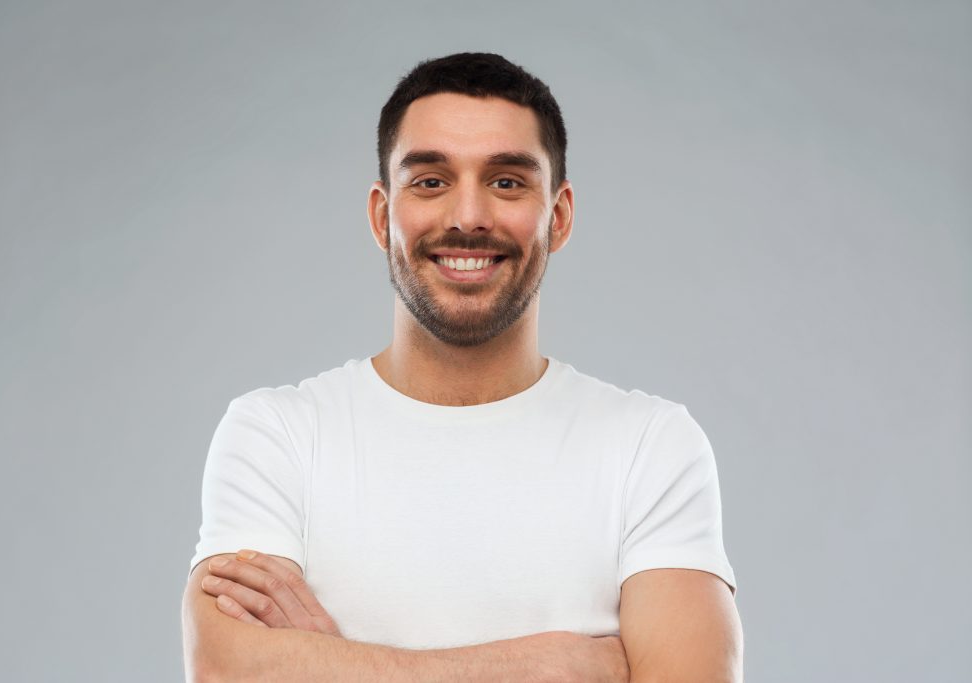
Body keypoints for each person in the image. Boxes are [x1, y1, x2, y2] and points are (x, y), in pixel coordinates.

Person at [181, 52, 744, 682]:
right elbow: (227, 671)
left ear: (556, 217)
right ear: (380, 214)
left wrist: (333, 666)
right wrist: (546, 667)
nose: (467, 216)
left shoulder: (650, 446)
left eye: (506, 182)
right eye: (430, 181)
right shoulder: (276, 435)